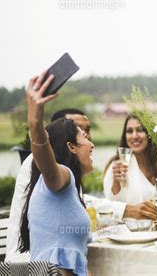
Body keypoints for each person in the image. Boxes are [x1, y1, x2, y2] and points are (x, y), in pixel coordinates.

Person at [6, 108, 157, 262]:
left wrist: (126, 211)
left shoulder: (69, 174)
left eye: (87, 131)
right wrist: (35, 121)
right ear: (66, 140)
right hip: (28, 263)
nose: (91, 142)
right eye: (80, 132)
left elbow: (78, 202)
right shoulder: (46, 166)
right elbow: (48, 167)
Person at [18, 72, 93, 275]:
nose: (92, 144)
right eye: (86, 137)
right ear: (71, 146)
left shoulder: (66, 190)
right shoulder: (61, 177)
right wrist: (35, 120)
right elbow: (45, 160)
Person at [103, 115, 157, 204]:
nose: (134, 136)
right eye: (129, 131)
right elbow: (112, 204)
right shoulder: (117, 166)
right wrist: (116, 182)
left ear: (150, 134)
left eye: (140, 130)